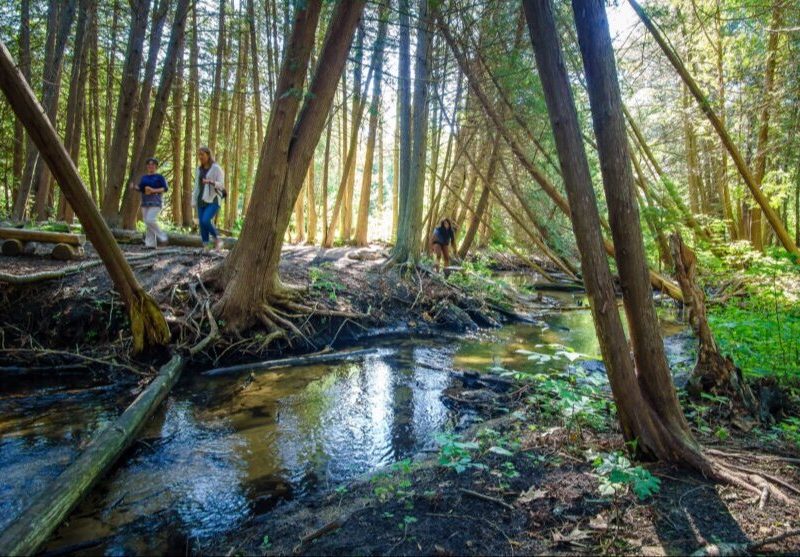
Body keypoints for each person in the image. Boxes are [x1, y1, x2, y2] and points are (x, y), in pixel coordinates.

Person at [191, 146, 226, 250]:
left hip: (213, 199)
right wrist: (193, 200)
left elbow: (221, 185)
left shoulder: (216, 168)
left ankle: (217, 239)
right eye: (199, 155)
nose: (200, 157)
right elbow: (196, 186)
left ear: (208, 155)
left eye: (202, 154)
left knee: (206, 220)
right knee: (202, 223)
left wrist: (210, 181)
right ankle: (206, 246)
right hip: (200, 199)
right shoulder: (199, 169)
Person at [134, 157, 169, 249]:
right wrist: (134, 187)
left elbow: (165, 188)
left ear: (156, 167)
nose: (150, 166)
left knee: (150, 220)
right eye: (149, 165)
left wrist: (153, 190)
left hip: (156, 202)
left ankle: (162, 236)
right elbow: (141, 188)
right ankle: (150, 244)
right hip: (145, 202)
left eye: (153, 165)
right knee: (147, 223)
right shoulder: (144, 178)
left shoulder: (160, 177)